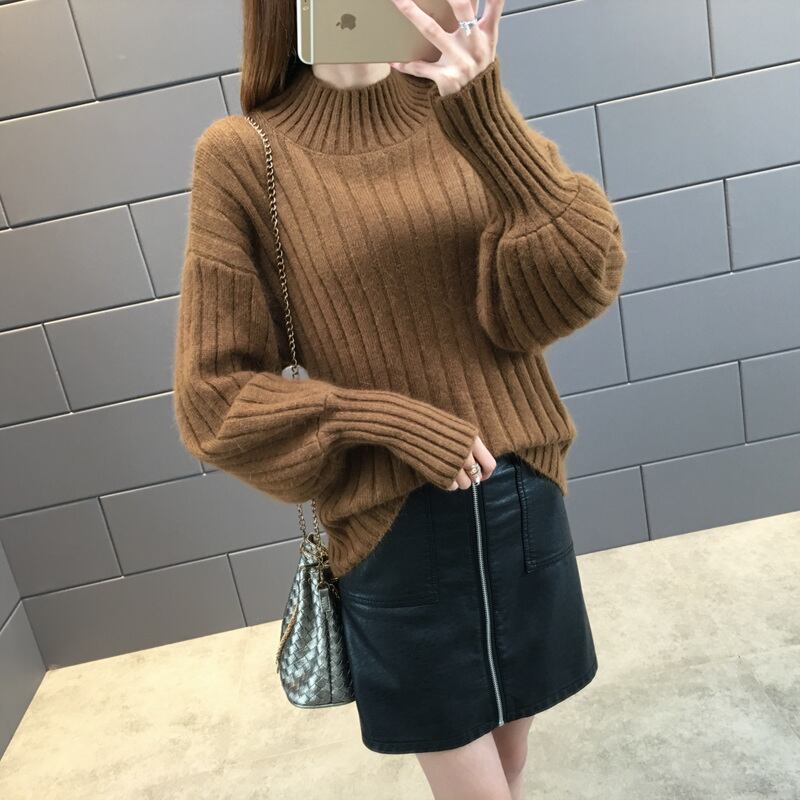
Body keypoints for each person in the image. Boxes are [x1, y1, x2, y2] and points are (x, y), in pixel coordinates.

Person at [172, 0, 626, 797]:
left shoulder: (464, 108)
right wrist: (379, 418)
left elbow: (575, 283)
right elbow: (213, 399)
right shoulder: (246, 155)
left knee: (512, 762)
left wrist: (487, 116)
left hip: (522, 495)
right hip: (395, 532)